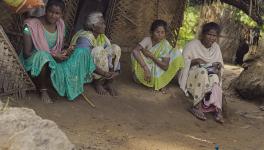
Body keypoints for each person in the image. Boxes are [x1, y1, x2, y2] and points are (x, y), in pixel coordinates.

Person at [21, 0, 96, 103]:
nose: (53, 16)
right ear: (45, 10)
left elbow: (58, 47)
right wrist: (52, 56)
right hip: (33, 62)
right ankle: (43, 90)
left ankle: (70, 85)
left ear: (62, 14)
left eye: (57, 13)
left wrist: (66, 51)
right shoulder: (29, 26)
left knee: (81, 51)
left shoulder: (61, 25)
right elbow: (26, 53)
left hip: (52, 58)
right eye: (51, 12)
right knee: (43, 56)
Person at [178, 22, 224, 123]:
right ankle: (196, 106)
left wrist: (218, 66)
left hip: (209, 75)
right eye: (209, 34)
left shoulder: (216, 48)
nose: (211, 38)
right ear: (203, 34)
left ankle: (218, 109)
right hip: (193, 77)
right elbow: (181, 63)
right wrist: (196, 61)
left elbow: (220, 65)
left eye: (214, 35)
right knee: (202, 71)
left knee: (215, 77)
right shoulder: (192, 45)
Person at [70, 12, 121, 96]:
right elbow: (84, 60)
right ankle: (98, 82)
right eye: (102, 23)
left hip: (96, 70)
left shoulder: (101, 37)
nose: (105, 26)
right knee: (99, 51)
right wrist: (104, 73)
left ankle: (109, 81)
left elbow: (109, 54)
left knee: (115, 48)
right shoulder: (85, 38)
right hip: (83, 70)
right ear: (93, 26)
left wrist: (113, 72)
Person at [131, 19, 184, 92]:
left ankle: (161, 82)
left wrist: (151, 56)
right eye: (157, 32)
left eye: (162, 32)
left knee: (177, 53)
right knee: (137, 53)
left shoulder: (165, 44)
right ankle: (146, 79)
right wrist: (146, 68)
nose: (160, 35)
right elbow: (135, 51)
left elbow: (165, 67)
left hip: (155, 68)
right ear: (151, 32)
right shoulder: (147, 40)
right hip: (143, 71)